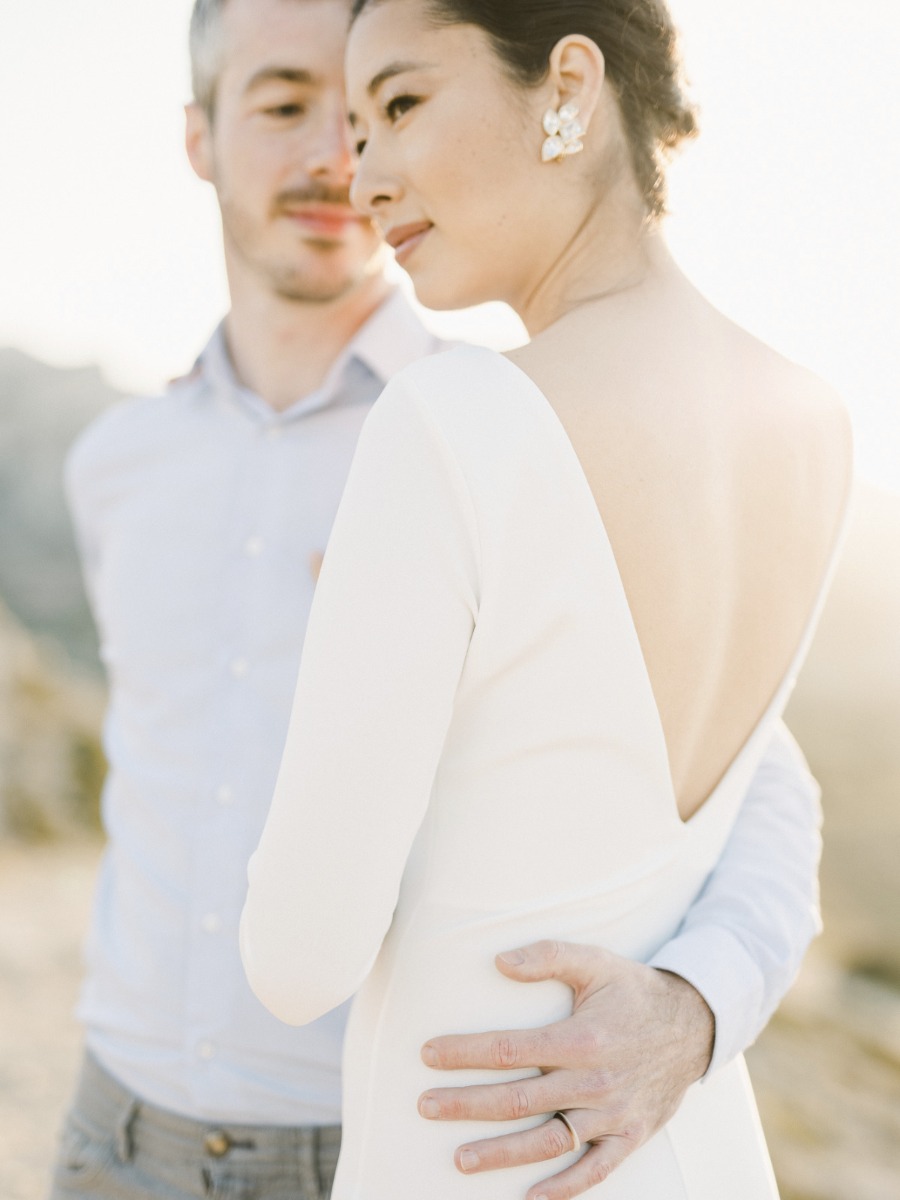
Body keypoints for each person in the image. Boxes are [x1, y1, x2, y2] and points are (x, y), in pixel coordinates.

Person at [53, 1, 831, 1199]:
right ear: (199, 137)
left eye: (390, 106)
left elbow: (761, 793)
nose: (348, 166)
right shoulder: (116, 463)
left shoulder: (472, 414)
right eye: (291, 105)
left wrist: (698, 1006)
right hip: (118, 1133)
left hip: (423, 1135)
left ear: (565, 87)